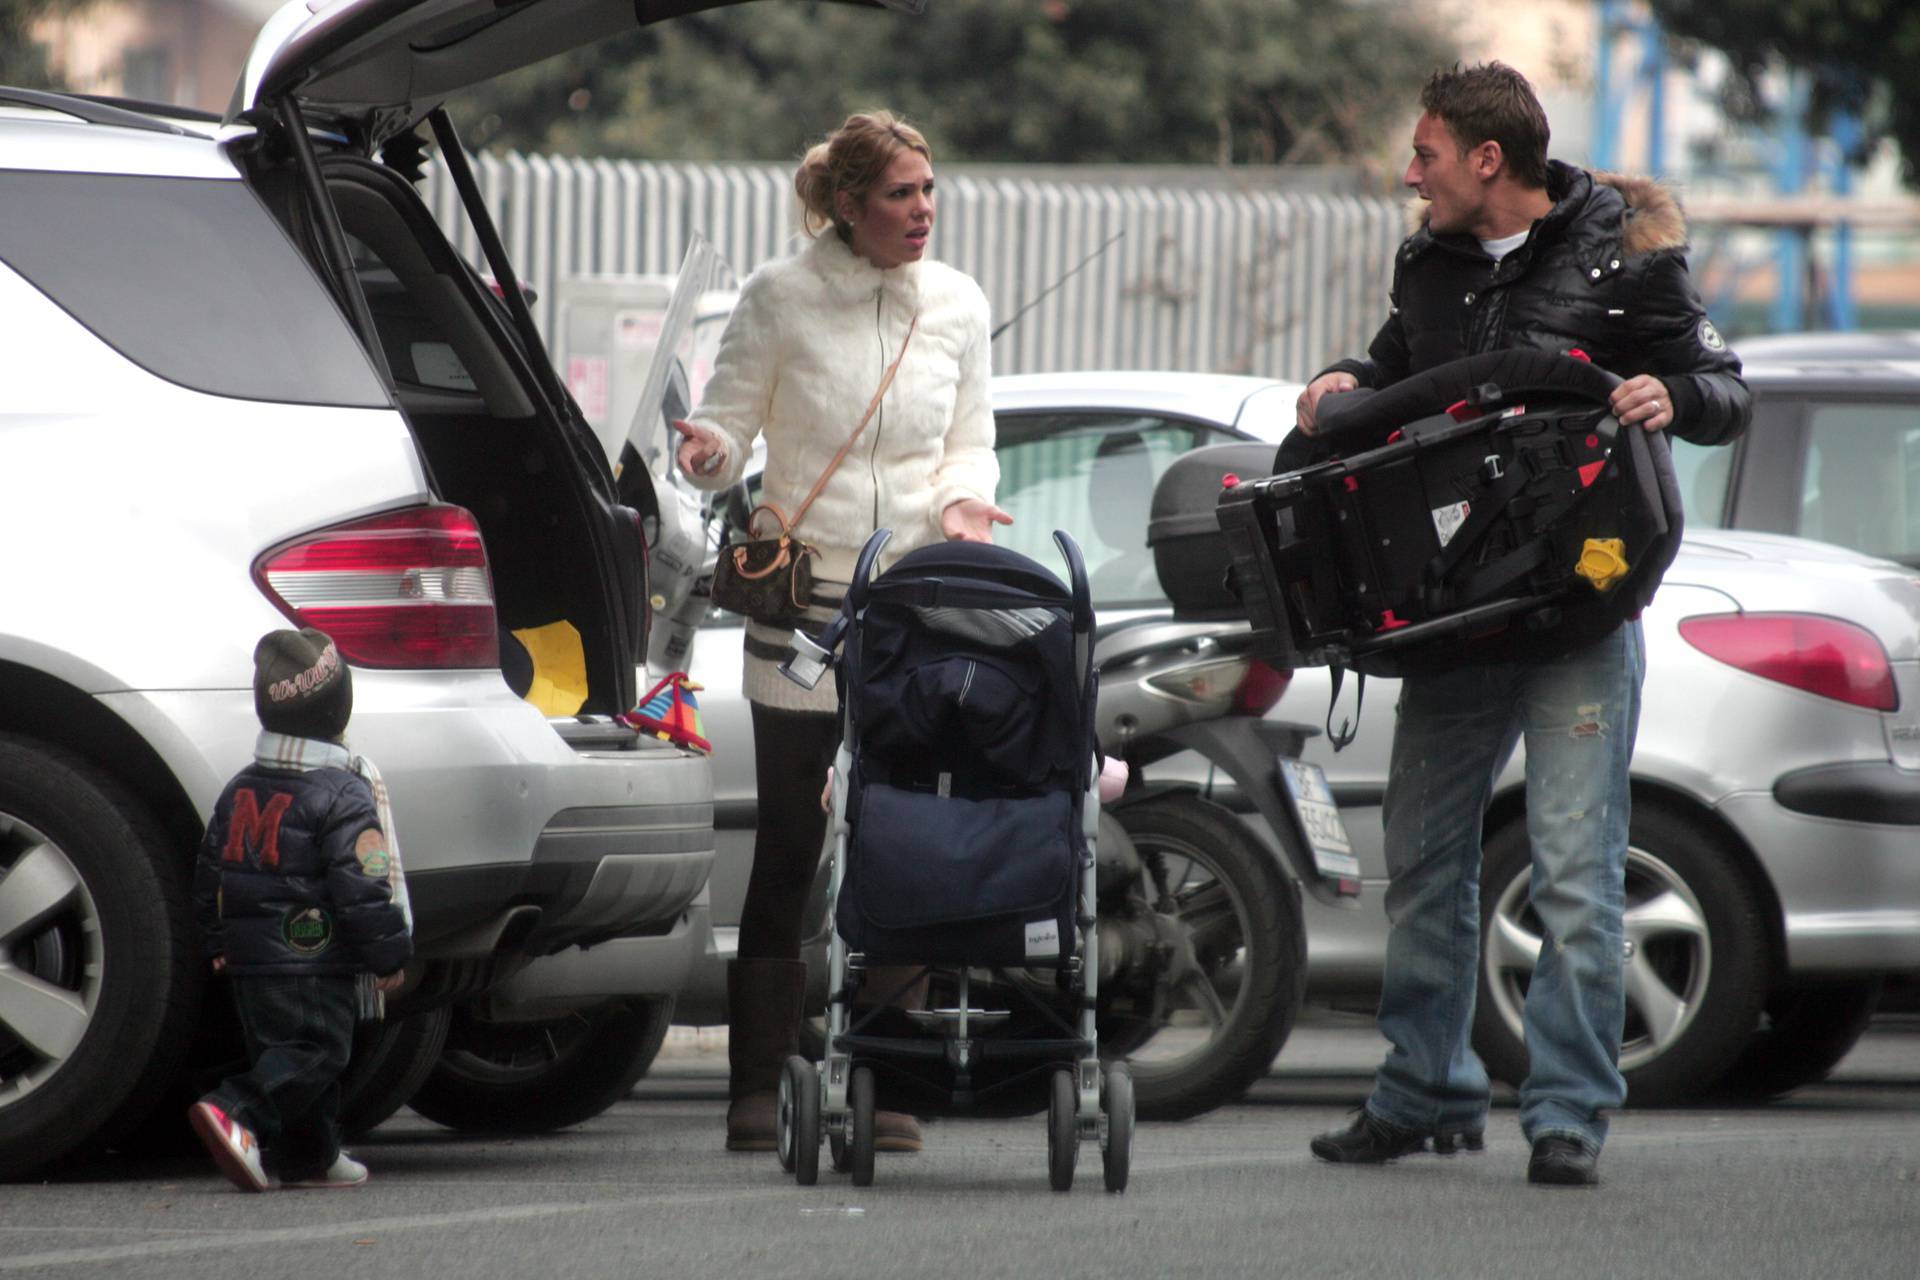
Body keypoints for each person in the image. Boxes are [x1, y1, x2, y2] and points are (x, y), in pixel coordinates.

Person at [1296, 63, 1750, 1187]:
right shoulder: (1431, 261)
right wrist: (1342, 376)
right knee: (1427, 862)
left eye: (1428, 155)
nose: (1413, 177)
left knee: (1577, 870)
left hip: (1579, 612)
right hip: (1456, 617)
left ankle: (1567, 1115)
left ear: (1487, 161)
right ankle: (1424, 1091)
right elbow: (1396, 372)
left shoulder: (1625, 255)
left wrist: (1672, 397)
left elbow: (1724, 386)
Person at [671, 110, 1009, 1154]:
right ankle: (758, 1082)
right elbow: (731, 429)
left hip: (914, 609)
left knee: (906, 836)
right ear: (850, 205)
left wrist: (963, 504)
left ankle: (888, 1075)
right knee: (790, 840)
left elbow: (972, 442)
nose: (923, 210)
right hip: (805, 607)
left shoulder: (955, 303)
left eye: (930, 189)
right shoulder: (780, 297)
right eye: (901, 193)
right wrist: (706, 452)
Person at [189, 628, 412, 1192]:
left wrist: (217, 940)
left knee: (289, 1055)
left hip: (251, 960)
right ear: (342, 707)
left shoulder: (240, 786)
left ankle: (312, 1155)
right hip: (313, 957)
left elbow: (210, 870)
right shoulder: (343, 792)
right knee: (319, 1052)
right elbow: (362, 884)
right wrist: (387, 950)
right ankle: (235, 1110)